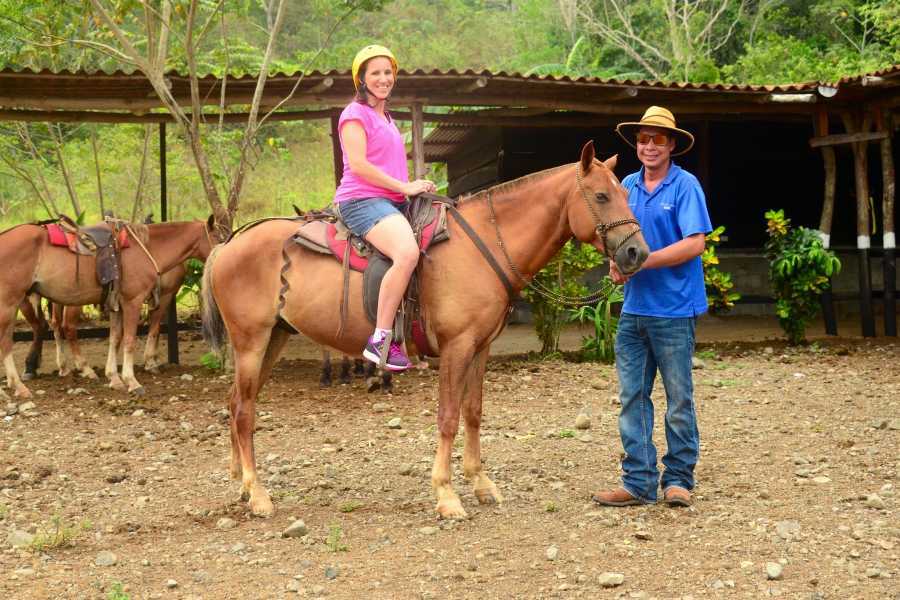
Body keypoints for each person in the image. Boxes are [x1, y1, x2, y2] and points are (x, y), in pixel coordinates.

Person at [591, 106, 712, 508]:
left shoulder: (685, 186)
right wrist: (617, 264)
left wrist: (643, 261)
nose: (649, 146)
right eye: (643, 139)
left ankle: (678, 479)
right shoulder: (626, 184)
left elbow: (695, 243)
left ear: (672, 144)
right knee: (632, 398)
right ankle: (639, 482)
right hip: (634, 310)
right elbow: (620, 240)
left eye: (658, 139)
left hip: (674, 310)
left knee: (679, 400)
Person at [333, 45, 436, 372]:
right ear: (361, 79)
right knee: (407, 253)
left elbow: (388, 166)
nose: (383, 79)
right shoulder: (354, 114)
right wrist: (404, 187)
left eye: (388, 72)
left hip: (390, 200)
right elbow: (360, 165)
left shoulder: (386, 117)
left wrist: (414, 186)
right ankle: (380, 339)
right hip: (360, 200)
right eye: (375, 73)